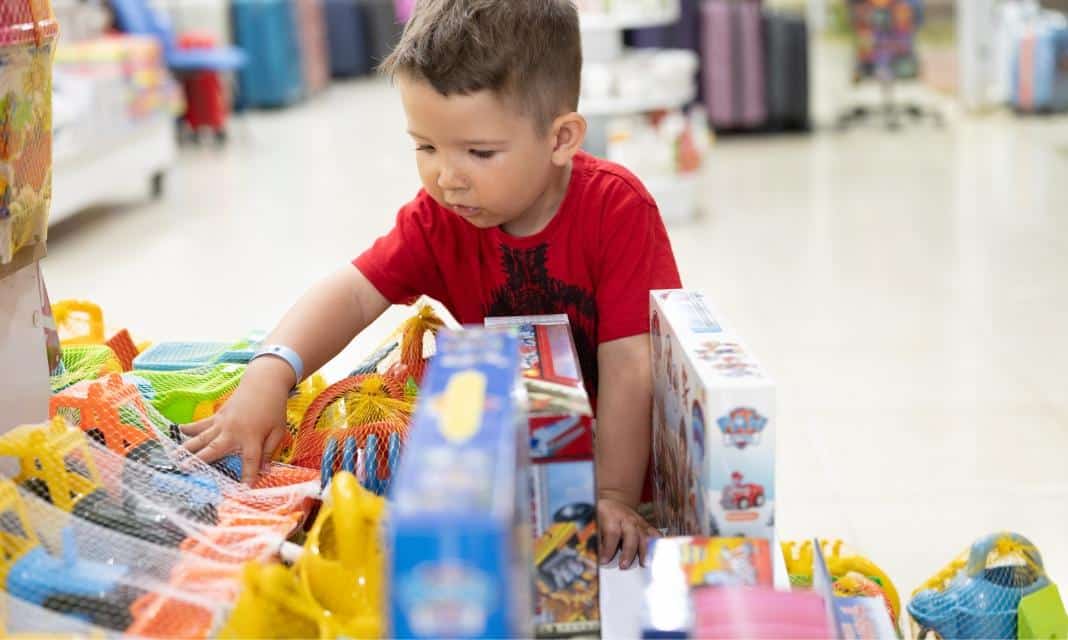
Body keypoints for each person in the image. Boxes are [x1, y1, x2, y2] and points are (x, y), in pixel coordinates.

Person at [180, 0, 681, 570]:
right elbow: (353, 292)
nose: (447, 176)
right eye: (425, 147)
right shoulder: (440, 217)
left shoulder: (616, 208)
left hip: (620, 484)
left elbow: (631, 363)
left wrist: (613, 493)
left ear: (561, 138)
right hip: (502, 478)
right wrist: (270, 371)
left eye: (479, 152)